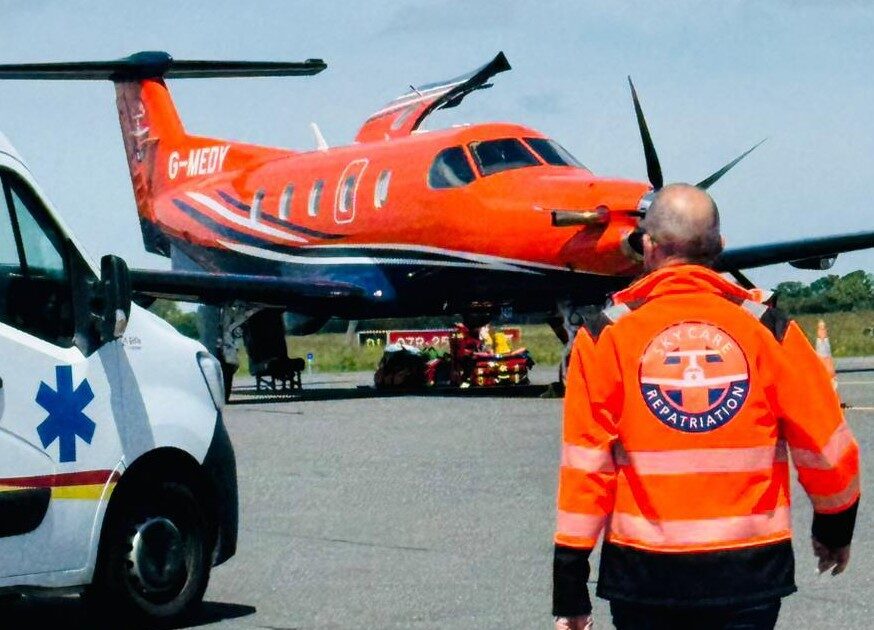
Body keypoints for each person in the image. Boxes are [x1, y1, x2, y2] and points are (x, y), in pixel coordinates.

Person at [552, 184, 860, 630]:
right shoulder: (768, 329)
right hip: (749, 573)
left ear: (649, 247)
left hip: (645, 577)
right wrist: (834, 530)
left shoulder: (605, 336)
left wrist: (570, 587)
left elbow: (585, 469)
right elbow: (827, 446)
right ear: (720, 247)